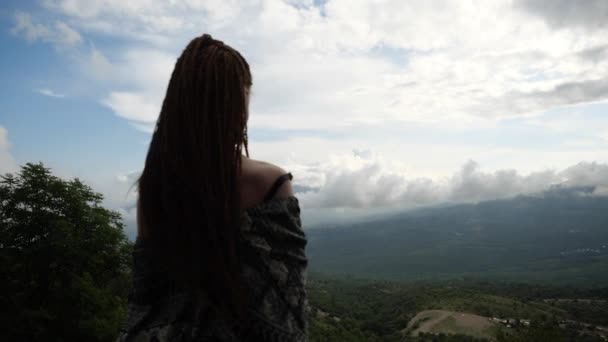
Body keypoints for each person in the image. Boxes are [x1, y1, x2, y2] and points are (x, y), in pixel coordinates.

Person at [117, 34, 308, 341]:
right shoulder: (268, 183)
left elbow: (147, 301)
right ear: (235, 101)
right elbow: (286, 311)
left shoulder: (153, 190)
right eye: (247, 93)